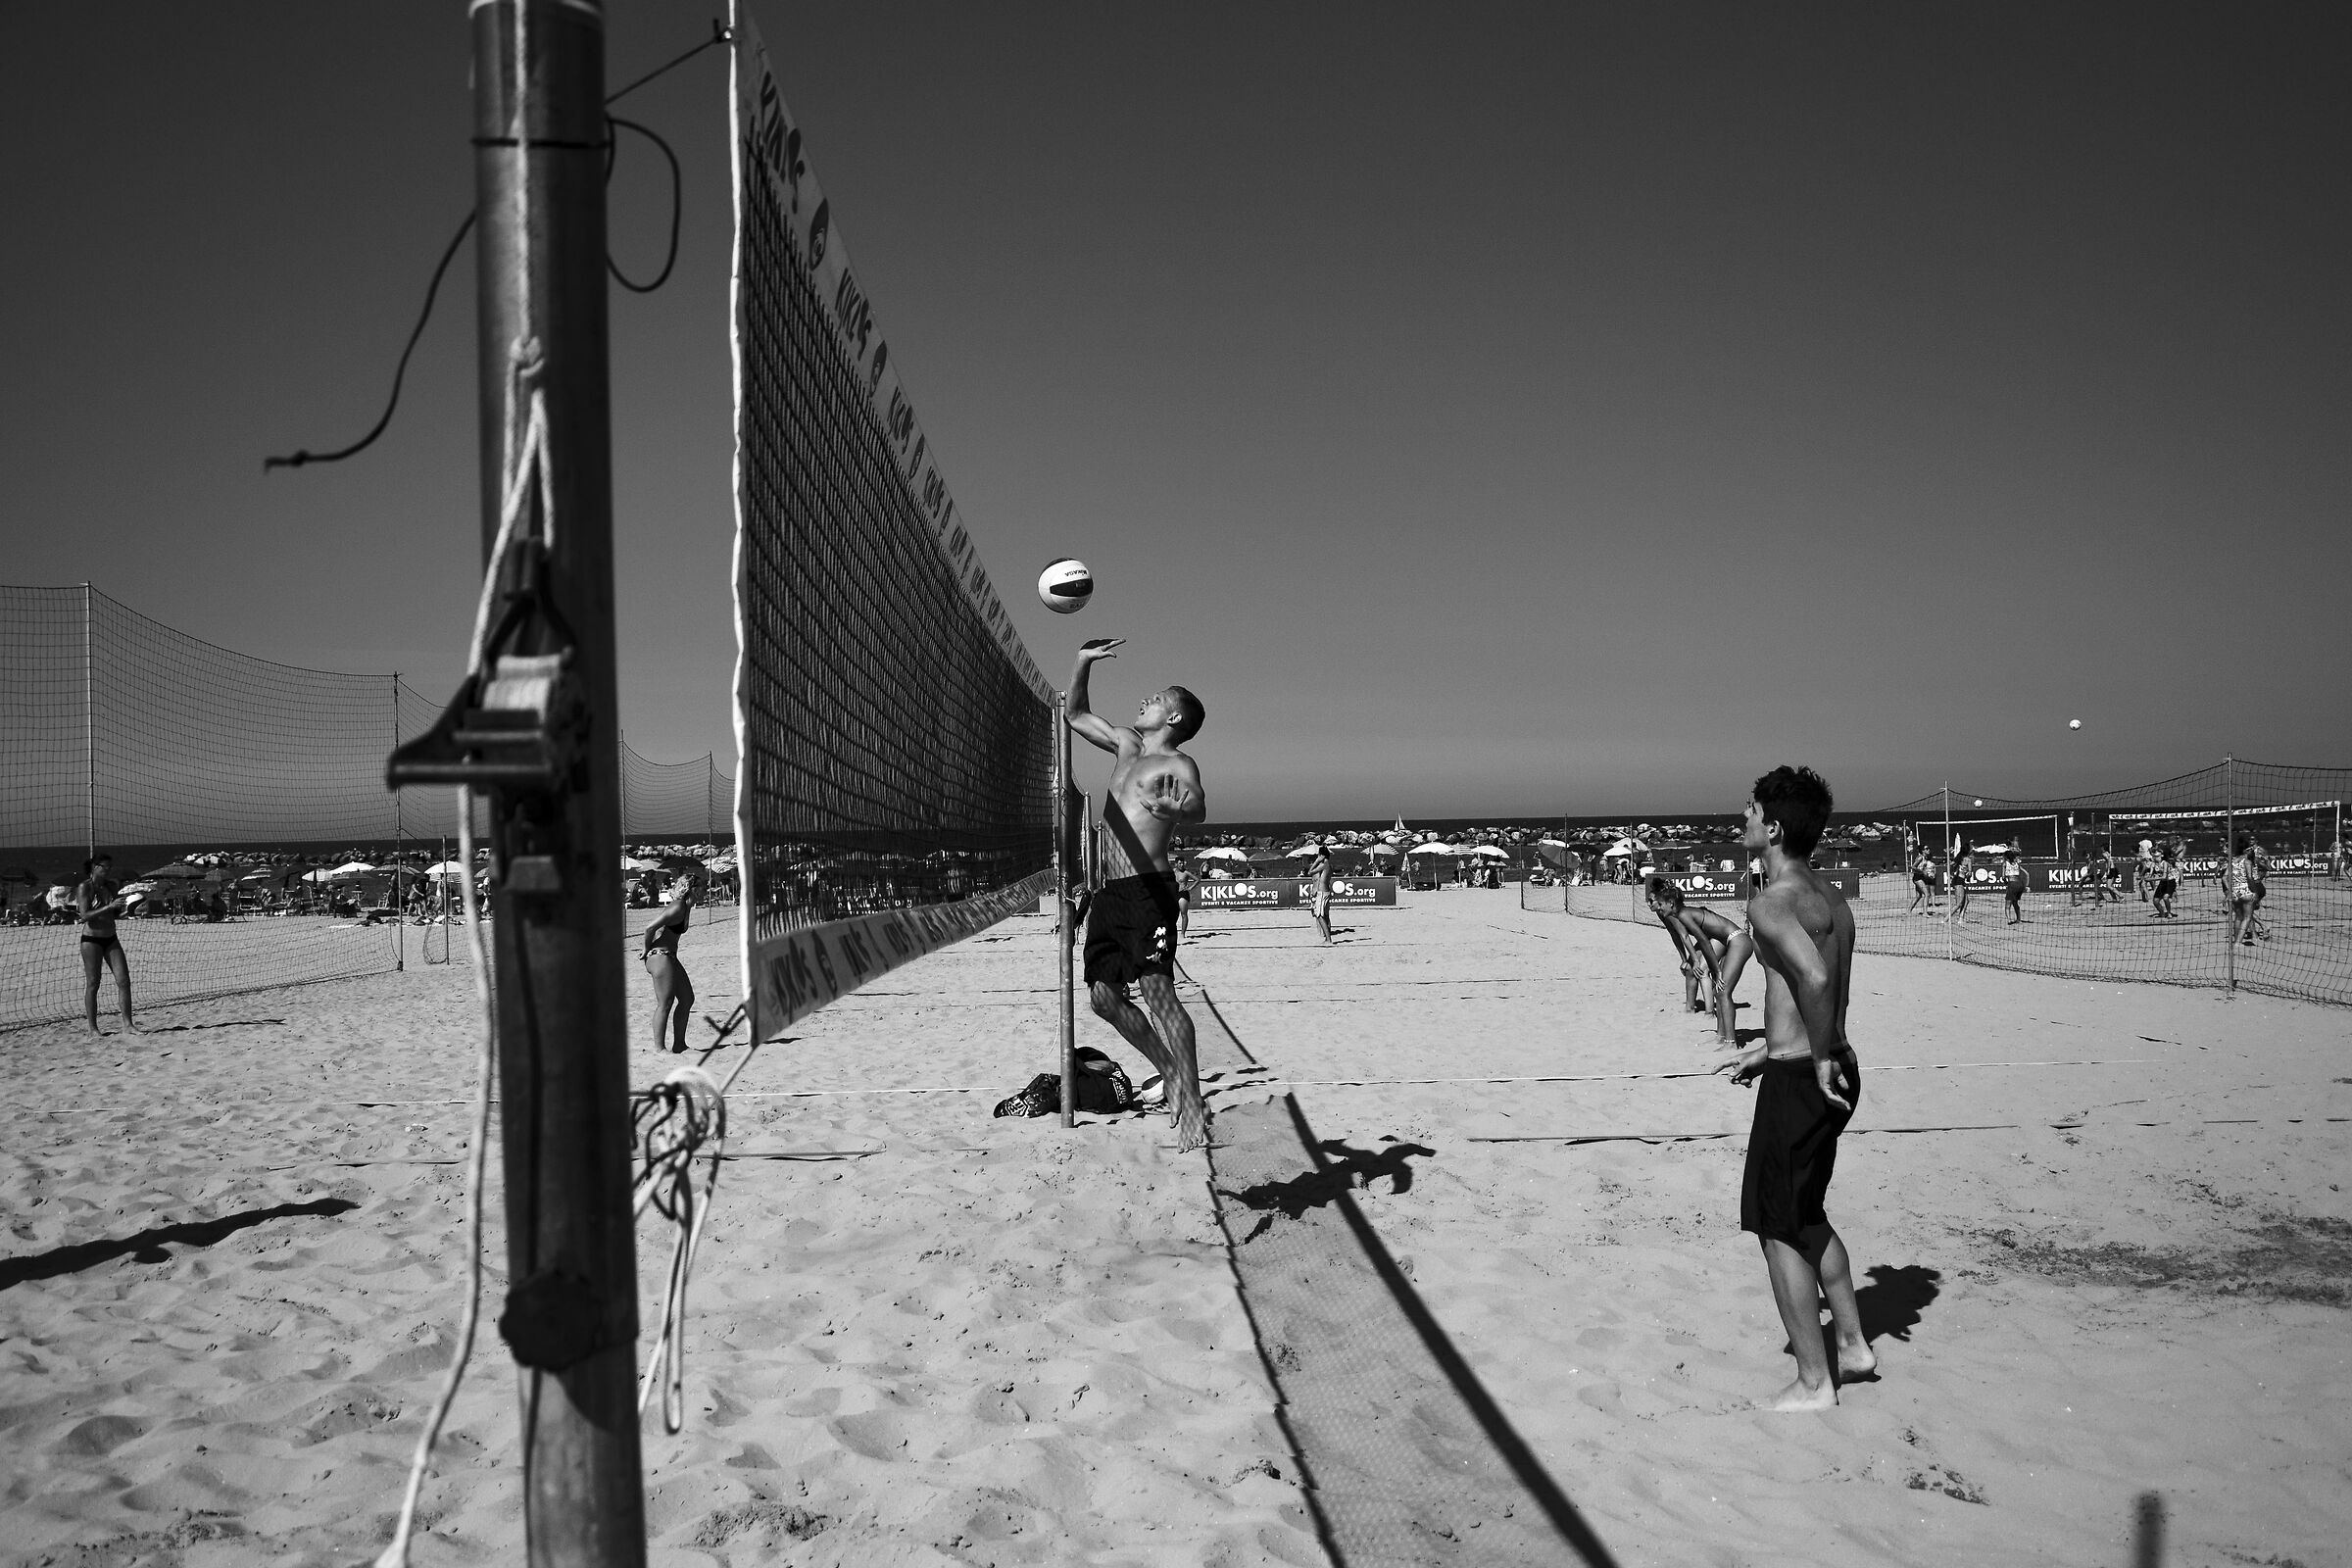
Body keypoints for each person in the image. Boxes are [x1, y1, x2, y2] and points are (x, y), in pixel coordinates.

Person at [1719, 766, 1870, 1411]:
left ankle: (1815, 1381)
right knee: (1805, 1214)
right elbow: (1822, 990)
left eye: (1750, 811)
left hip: (1808, 1075)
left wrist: (1803, 1063)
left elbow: (1810, 978)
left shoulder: (1770, 901)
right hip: (1837, 1060)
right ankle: (1856, 1347)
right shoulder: (1831, 897)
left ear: (1774, 827)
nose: (1742, 820)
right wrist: (1777, 1048)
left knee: (1775, 1225)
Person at [1066, 637, 1211, 1152]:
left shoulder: (1178, 764)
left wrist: (1178, 810)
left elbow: (1197, 807)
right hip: (1108, 891)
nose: (1144, 701)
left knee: (1159, 996)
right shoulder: (1127, 745)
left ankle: (1192, 1100)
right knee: (1104, 1000)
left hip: (1149, 890)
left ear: (1172, 718)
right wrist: (1084, 662)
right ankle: (1168, 1069)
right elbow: (1077, 714)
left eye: (1155, 698)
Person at [1646, 878, 1753, 1047]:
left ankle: (1731, 1042)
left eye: (1660, 904)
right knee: (1718, 991)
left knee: (1723, 991)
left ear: (1671, 903)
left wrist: (1716, 971)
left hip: (1738, 940)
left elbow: (1703, 941)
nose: (1658, 908)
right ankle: (1721, 1037)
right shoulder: (1677, 914)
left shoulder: (1683, 914)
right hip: (1729, 942)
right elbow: (1690, 939)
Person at [75, 854, 137, 1035]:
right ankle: (93, 1028)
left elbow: (113, 912)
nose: (109, 870)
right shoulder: (85, 887)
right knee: (94, 983)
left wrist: (122, 908)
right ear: (95, 867)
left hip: (111, 937)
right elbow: (84, 915)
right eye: (105, 867)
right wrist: (109, 907)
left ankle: (128, 1024)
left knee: (124, 981)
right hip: (91, 940)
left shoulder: (111, 886)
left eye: (110, 867)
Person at [643, 879, 697, 1054]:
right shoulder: (678, 906)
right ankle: (659, 1049)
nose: (707, 890)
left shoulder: (686, 906)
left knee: (687, 998)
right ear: (693, 889)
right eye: (704, 886)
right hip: (659, 955)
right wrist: (645, 949)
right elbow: (649, 928)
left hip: (670, 956)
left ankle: (679, 1045)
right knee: (665, 1003)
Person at [1305, 844, 1335, 945]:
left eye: (1319, 855)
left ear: (1322, 855)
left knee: (1319, 915)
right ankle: (1327, 938)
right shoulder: (1329, 865)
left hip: (1322, 892)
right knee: (1325, 915)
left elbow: (1310, 872)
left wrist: (1317, 861)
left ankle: (1328, 939)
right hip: (1326, 892)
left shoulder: (1324, 865)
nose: (1318, 857)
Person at [1905, 837, 1937, 914]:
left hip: (1920, 877)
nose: (1928, 850)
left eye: (1928, 848)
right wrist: (1922, 871)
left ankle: (1908, 911)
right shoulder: (1920, 857)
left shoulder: (1925, 858)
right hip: (1917, 877)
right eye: (1926, 849)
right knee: (1927, 894)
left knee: (1918, 896)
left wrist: (1928, 873)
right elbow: (1913, 867)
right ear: (1922, 851)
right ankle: (1925, 913)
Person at [2150, 840, 2180, 919]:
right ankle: (2162, 913)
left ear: (2161, 856)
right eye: (2153, 856)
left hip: (2170, 881)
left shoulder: (2165, 863)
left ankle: (2169, 913)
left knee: (2165, 898)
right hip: (2163, 883)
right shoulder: (2154, 864)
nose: (2154, 858)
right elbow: (2151, 874)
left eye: (2156, 856)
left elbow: (2164, 876)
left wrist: (2151, 879)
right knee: (2155, 901)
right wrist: (2146, 878)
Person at [1950, 838, 1976, 922]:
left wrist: (1954, 872)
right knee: (1959, 903)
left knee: (1966, 900)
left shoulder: (1958, 857)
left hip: (1956, 879)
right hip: (1960, 881)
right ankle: (1946, 919)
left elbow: (1951, 865)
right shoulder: (1968, 860)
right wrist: (1966, 872)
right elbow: (1969, 873)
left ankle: (1961, 918)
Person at [2001, 849, 2028, 924]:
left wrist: (2006, 882)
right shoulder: (2016, 863)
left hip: (2012, 883)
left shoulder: (2005, 863)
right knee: (2015, 902)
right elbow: (2022, 873)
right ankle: (2019, 919)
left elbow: (2003, 877)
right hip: (2019, 884)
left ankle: (2009, 920)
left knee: (2007, 905)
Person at [1174, 859, 1198, 942]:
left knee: (1183, 914)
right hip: (1174, 893)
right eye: (1180, 863)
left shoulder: (1186, 873)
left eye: (1182, 863)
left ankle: (1182, 933)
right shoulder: (1173, 872)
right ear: (1176, 864)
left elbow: (1197, 880)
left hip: (1183, 893)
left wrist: (1190, 887)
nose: (1181, 865)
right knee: (1173, 914)